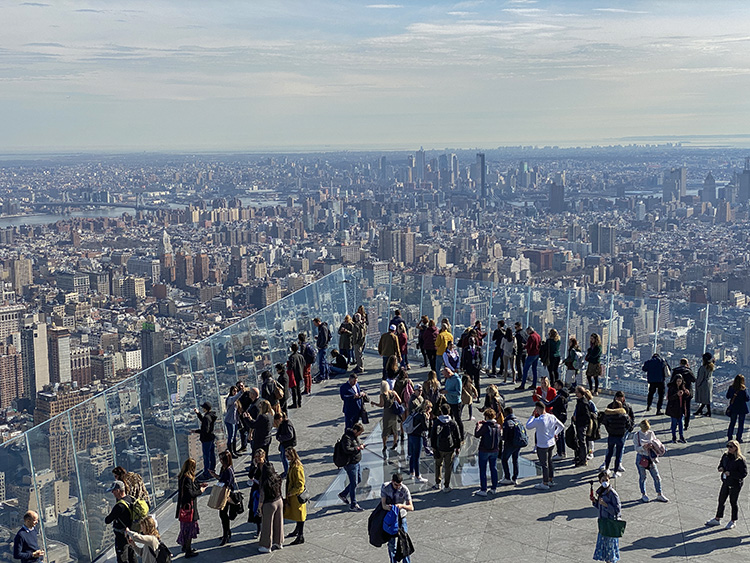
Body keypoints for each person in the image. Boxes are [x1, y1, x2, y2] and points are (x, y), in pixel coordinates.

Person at [706, 440, 748, 530]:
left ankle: (733, 520)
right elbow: (721, 463)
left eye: (731, 447)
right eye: (728, 446)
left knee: (733, 502)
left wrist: (731, 473)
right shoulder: (725, 456)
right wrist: (720, 468)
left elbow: (743, 474)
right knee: (721, 500)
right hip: (726, 481)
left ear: (736, 448)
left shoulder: (740, 460)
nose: (729, 448)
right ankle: (717, 518)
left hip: (735, 484)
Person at [525, 401, 565, 490]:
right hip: (551, 443)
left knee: (544, 464)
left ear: (538, 409)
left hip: (542, 444)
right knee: (550, 461)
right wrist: (555, 433)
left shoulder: (539, 420)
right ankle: (550, 479)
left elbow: (528, 426)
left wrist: (532, 416)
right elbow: (561, 426)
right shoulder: (552, 417)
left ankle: (545, 482)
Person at [175, 458, 208, 557]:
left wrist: (198, 485)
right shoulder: (188, 479)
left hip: (183, 508)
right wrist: (201, 490)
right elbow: (191, 494)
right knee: (190, 529)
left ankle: (185, 546)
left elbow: (189, 489)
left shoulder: (182, 477)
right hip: (189, 509)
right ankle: (188, 551)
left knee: (184, 528)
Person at [633, 420, 669, 503]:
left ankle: (659, 494)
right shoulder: (637, 435)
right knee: (643, 477)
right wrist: (643, 447)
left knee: (657, 477)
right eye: (644, 429)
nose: (646, 431)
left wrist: (653, 445)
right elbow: (636, 448)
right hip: (641, 457)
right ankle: (643, 494)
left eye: (647, 429)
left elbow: (655, 441)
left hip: (651, 457)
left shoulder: (651, 433)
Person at [381, 473, 414, 563]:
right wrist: (390, 508)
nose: (398, 487)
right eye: (396, 485)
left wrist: (402, 506)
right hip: (391, 518)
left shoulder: (404, 489)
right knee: (391, 544)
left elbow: (411, 507)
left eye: (399, 485)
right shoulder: (385, 487)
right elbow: (383, 505)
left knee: (404, 542)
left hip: (401, 517)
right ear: (392, 481)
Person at [592, 470, 622, 563]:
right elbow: (600, 507)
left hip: (610, 524)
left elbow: (617, 511)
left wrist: (606, 505)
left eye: (607, 480)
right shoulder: (601, 492)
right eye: (603, 480)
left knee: (610, 548)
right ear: (600, 481)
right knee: (605, 547)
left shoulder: (612, 493)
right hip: (603, 523)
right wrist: (595, 502)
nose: (605, 482)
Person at [430, 404, 461, 492]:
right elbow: (457, 436)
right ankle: (446, 485)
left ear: (441, 411)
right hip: (450, 448)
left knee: (438, 465)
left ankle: (437, 483)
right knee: (448, 466)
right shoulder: (452, 422)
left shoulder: (437, 422)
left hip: (439, 447)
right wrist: (457, 447)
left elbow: (433, 436)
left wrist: (433, 447)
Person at [104, 480, 136, 563]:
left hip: (121, 536)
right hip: (130, 532)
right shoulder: (131, 498)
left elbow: (107, 520)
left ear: (118, 491)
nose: (112, 493)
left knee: (122, 558)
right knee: (132, 555)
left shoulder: (119, 506)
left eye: (113, 491)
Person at [337, 423, 366, 511]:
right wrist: (358, 448)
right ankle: (353, 504)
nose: (359, 435)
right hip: (350, 463)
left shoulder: (354, 436)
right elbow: (347, 449)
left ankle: (343, 494)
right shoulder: (347, 437)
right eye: (359, 433)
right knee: (354, 483)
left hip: (356, 462)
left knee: (359, 480)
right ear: (355, 430)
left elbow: (357, 443)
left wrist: (361, 445)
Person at [257, 460, 283, 553]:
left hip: (269, 504)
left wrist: (259, 507)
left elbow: (262, 496)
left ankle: (266, 545)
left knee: (267, 525)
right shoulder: (277, 477)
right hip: (279, 500)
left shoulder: (264, 481)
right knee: (278, 522)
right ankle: (278, 542)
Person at [283, 447, 307, 545]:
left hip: (297, 497)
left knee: (300, 516)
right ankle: (297, 531)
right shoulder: (292, 465)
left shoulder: (297, 467)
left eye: (288, 456)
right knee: (297, 515)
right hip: (293, 496)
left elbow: (300, 484)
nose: (286, 458)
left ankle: (300, 535)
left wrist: (291, 492)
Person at [474, 409, 501, 496]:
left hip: (484, 450)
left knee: (483, 470)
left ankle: (483, 489)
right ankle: (494, 488)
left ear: (486, 416)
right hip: (495, 450)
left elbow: (477, 434)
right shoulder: (498, 426)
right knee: (494, 468)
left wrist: (478, 426)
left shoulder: (485, 426)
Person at [370, 380, 403, 452]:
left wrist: (374, 403)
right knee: (394, 429)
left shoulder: (382, 395)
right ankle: (395, 443)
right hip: (394, 413)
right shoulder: (393, 392)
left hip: (387, 413)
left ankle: (384, 445)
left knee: (385, 429)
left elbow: (381, 405)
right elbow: (400, 401)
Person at [247, 449, 274, 534]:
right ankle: (259, 528)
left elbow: (271, 477)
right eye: (256, 457)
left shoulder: (268, 465)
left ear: (264, 456)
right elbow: (250, 475)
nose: (258, 459)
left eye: (259, 457)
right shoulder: (256, 466)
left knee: (265, 510)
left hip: (265, 490)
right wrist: (254, 466)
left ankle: (266, 528)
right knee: (256, 509)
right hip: (256, 489)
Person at [601, 400, 631, 474]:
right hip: (620, 437)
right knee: (618, 454)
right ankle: (615, 471)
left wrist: (609, 430)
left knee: (609, 453)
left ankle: (607, 468)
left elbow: (605, 423)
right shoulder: (624, 416)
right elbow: (629, 425)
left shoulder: (609, 415)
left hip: (611, 436)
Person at [541, 380, 569, 460]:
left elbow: (549, 404)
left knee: (557, 435)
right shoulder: (565, 395)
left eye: (556, 385)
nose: (554, 386)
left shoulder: (559, 396)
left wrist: (541, 399)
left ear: (559, 386)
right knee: (561, 434)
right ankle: (563, 452)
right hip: (563, 416)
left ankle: (560, 453)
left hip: (558, 417)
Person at [407, 400, 431, 483]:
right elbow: (426, 427)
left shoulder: (415, 412)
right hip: (418, 436)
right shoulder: (422, 415)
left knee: (412, 455)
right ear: (427, 408)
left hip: (410, 435)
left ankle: (411, 472)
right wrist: (428, 418)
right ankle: (418, 476)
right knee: (417, 456)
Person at [193, 402, 217, 480]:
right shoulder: (210, 416)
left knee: (206, 457)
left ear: (205, 409)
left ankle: (207, 473)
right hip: (211, 438)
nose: (202, 408)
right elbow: (204, 421)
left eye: (203, 408)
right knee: (211, 455)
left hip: (206, 439)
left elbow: (205, 430)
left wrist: (196, 431)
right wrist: (198, 413)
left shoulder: (207, 417)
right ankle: (212, 470)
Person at [217, 450, 236, 545]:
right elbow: (221, 478)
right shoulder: (223, 468)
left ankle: (226, 535)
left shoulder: (228, 470)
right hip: (223, 493)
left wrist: (221, 484)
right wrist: (215, 476)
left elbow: (228, 483)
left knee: (223, 515)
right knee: (222, 515)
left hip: (227, 495)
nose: (220, 460)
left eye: (222, 459)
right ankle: (227, 532)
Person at [500, 407, 522, 485]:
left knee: (504, 459)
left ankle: (507, 477)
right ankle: (515, 478)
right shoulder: (517, 421)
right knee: (515, 460)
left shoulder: (506, 422)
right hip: (518, 443)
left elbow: (505, 437)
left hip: (510, 444)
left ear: (506, 413)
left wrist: (501, 437)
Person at [726, 374, 750, 442]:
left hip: (733, 408)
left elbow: (727, 396)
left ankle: (729, 437)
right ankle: (738, 438)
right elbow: (747, 399)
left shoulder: (731, 387)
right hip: (742, 408)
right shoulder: (743, 389)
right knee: (741, 424)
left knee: (732, 423)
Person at [572, 386, 592, 467]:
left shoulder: (583, 403)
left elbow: (587, 416)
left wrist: (577, 419)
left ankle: (583, 459)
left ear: (580, 393)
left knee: (582, 441)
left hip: (581, 425)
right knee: (580, 441)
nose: (575, 393)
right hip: (580, 424)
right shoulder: (581, 401)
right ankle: (580, 457)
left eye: (577, 392)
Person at [666, 374, 689, 443]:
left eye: (680, 381)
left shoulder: (683, 387)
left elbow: (687, 397)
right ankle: (674, 437)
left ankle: (681, 436)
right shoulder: (672, 388)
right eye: (678, 381)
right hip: (674, 408)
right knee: (674, 423)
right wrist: (677, 395)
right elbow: (669, 398)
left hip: (681, 408)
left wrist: (687, 393)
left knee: (681, 423)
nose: (679, 383)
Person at [443, 366, 464, 442]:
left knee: (458, 420)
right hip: (449, 401)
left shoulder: (457, 380)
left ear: (449, 373)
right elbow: (447, 388)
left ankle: (462, 436)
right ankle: (451, 435)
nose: (445, 377)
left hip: (456, 403)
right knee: (449, 419)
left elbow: (458, 393)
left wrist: (448, 392)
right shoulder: (448, 379)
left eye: (445, 375)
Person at [274, 411, 296, 477]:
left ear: (280, 419)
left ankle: (287, 472)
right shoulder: (283, 423)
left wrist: (281, 438)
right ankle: (287, 471)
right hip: (284, 443)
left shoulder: (287, 424)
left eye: (277, 421)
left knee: (285, 458)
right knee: (283, 457)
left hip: (287, 444)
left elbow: (290, 435)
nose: (277, 423)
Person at [694, 352, 714, 417]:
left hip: (704, 384)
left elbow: (700, 378)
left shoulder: (703, 368)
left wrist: (697, 384)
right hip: (709, 382)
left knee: (704, 398)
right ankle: (703, 410)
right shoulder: (711, 366)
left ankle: (707, 411)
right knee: (706, 398)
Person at [313, 317, 332, 382]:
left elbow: (325, 338)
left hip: (323, 347)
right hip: (323, 347)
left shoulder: (323, 328)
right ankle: (326, 374)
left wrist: (321, 346)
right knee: (324, 361)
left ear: (318, 322)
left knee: (322, 362)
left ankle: (323, 375)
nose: (314, 325)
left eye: (315, 323)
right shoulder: (321, 327)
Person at [224, 386, 241, 457]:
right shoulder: (230, 399)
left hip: (235, 420)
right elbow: (235, 398)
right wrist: (241, 392)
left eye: (236, 391)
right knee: (230, 436)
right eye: (234, 391)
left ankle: (234, 450)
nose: (235, 392)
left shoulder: (236, 401)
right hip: (229, 420)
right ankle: (230, 452)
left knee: (234, 436)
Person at [287, 343, 305, 409]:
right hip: (300, 374)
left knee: (294, 389)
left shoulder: (292, 357)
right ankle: (299, 402)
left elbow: (290, 367)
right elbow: (304, 363)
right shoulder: (300, 356)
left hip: (294, 375)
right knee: (298, 389)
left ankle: (295, 403)